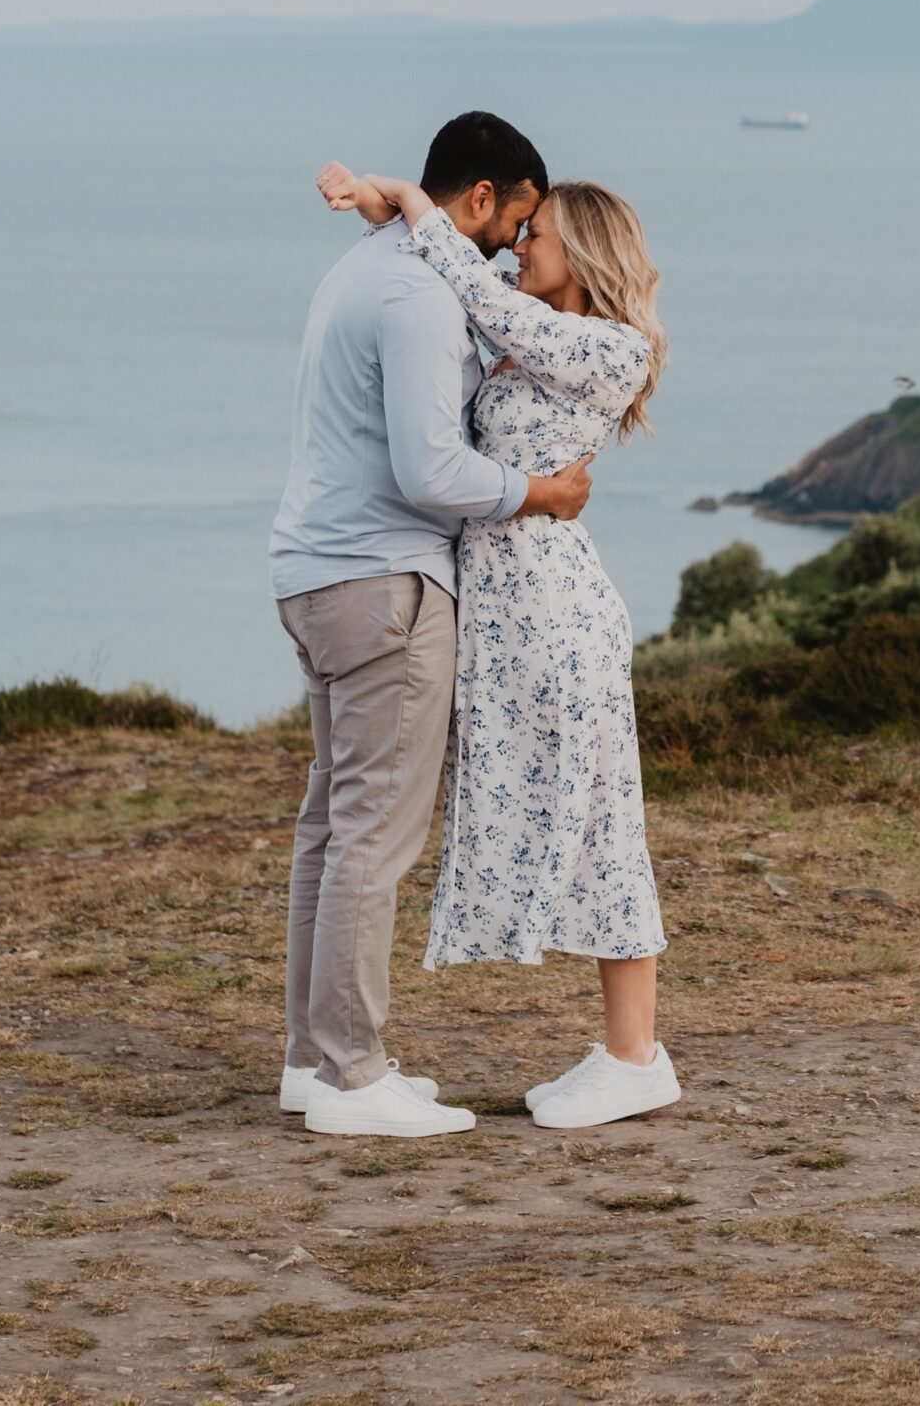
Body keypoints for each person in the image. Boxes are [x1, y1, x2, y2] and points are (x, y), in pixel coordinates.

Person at [316, 158, 680, 1130]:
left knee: (605, 821)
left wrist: (421, 206)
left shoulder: (608, 348)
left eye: (538, 236)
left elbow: (478, 294)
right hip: (503, 615)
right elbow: (448, 321)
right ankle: (624, 1051)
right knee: (539, 814)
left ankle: (635, 1055)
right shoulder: (530, 344)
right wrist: (385, 214)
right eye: (521, 232)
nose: (519, 245)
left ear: (586, 256)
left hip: (556, 618)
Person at [270, 112, 594, 1141]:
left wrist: (399, 201)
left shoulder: (371, 266)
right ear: (485, 197)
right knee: (374, 834)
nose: (513, 248)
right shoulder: (417, 297)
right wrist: (537, 492)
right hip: (386, 586)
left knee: (329, 827)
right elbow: (429, 470)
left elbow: (456, 274)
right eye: (518, 222)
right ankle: (353, 1077)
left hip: (315, 572)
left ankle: (311, 1060)